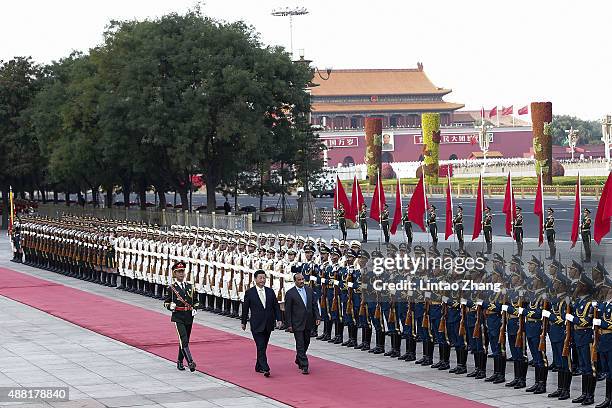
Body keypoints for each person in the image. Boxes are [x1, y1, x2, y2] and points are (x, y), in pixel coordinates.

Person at [241, 269, 282, 377]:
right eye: (260, 278)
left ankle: (258, 366)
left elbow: (276, 306)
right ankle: (265, 367)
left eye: (264, 278)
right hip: (256, 324)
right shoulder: (250, 292)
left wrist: (279, 319)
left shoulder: (270, 291)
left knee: (263, 346)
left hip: (268, 323)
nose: (262, 280)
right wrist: (243, 322)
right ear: (255, 279)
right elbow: (245, 308)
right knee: (260, 345)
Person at [164, 261, 200, 372]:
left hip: (189, 316)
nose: (181, 274)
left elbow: (196, 301)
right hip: (178, 316)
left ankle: (179, 361)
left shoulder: (190, 286)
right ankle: (190, 362)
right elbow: (166, 302)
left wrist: (195, 308)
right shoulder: (171, 288)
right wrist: (171, 306)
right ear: (174, 274)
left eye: (182, 271)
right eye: (179, 272)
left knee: (185, 340)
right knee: (183, 339)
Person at [285, 272, 321, 374]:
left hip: (308, 321)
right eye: (299, 280)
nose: (301, 281)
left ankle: (299, 358)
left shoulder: (309, 290)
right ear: (295, 281)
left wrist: (317, 317)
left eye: (302, 279)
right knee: (300, 344)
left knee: (306, 342)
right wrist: (289, 325)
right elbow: (288, 311)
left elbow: (314, 305)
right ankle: (304, 365)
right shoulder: (290, 293)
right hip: (297, 323)